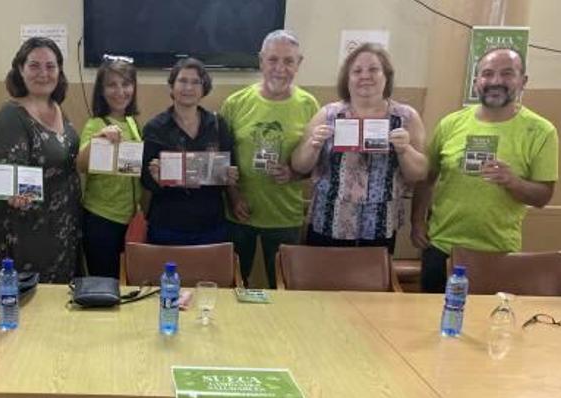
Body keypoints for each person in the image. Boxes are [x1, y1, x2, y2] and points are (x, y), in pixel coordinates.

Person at [412, 47, 558, 295]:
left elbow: (543, 196)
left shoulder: (542, 131)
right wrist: (416, 221)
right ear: (476, 82)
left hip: (499, 253)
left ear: (523, 81)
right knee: (431, 325)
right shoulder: (451, 124)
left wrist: (513, 182)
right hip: (442, 249)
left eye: (507, 74)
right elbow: (427, 177)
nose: (496, 81)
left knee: (491, 329)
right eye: (488, 74)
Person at [292, 43, 428, 252]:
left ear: (386, 76)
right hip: (329, 220)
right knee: (322, 282)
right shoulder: (328, 115)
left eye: (373, 69)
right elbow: (299, 165)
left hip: (379, 224)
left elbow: (419, 174)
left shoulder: (405, 117)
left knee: (370, 283)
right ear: (347, 79)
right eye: (357, 71)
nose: (365, 76)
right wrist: (313, 145)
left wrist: (405, 150)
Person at [221, 30, 319, 288]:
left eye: (288, 61)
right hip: (239, 214)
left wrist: (295, 174)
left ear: (299, 63)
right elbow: (222, 157)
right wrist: (233, 197)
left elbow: (319, 162)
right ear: (261, 61)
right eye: (273, 60)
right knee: (233, 286)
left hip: (285, 216)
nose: (280, 68)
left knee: (286, 288)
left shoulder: (310, 106)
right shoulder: (235, 103)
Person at [0, 37, 81, 283]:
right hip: (27, 230)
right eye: (34, 66)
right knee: (29, 305)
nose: (43, 73)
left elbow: (67, 160)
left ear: (59, 71)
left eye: (50, 66)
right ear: (20, 69)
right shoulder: (10, 115)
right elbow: (10, 172)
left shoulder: (58, 108)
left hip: (64, 226)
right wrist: (13, 191)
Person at [141, 58, 237, 246]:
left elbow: (230, 168)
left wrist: (230, 175)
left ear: (204, 88)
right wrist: (155, 177)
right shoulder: (155, 127)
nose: (188, 87)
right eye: (182, 81)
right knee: (167, 276)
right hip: (168, 224)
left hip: (211, 224)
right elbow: (144, 179)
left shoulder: (217, 125)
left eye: (195, 82)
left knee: (210, 276)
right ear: (172, 86)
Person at [76, 56, 142, 278]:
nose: (120, 91)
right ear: (102, 91)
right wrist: (99, 137)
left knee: (127, 281)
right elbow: (81, 164)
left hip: (129, 218)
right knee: (103, 284)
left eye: (126, 84)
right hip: (101, 219)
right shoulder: (95, 124)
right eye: (112, 85)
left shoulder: (133, 122)